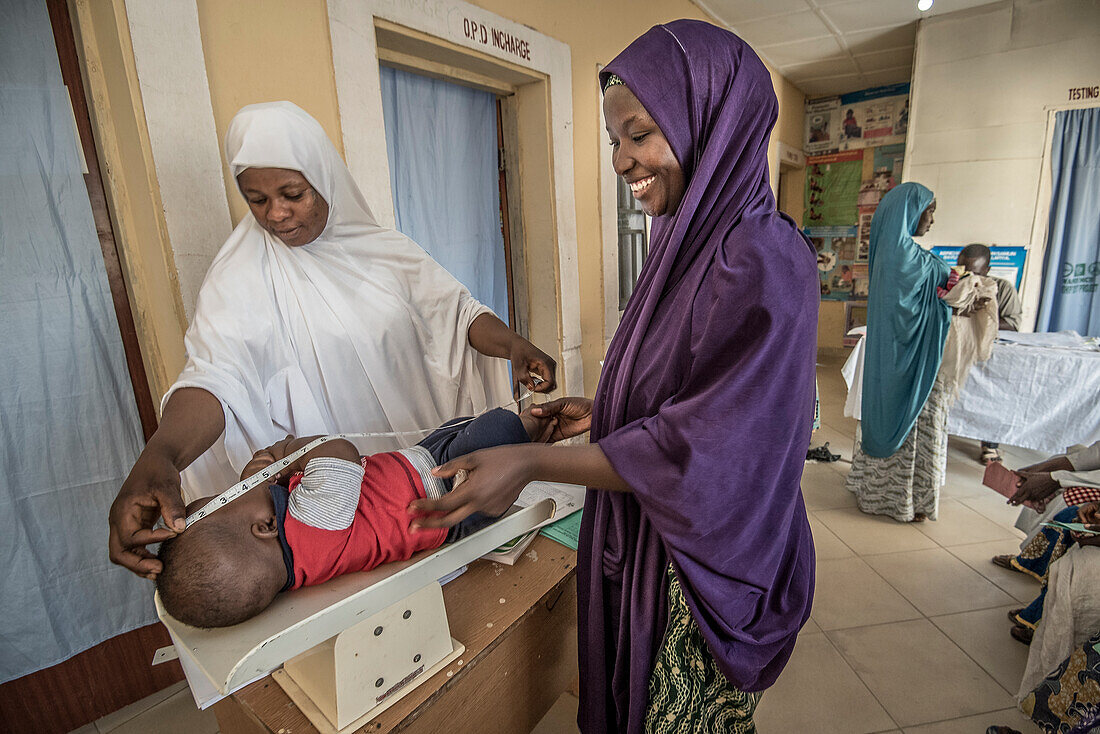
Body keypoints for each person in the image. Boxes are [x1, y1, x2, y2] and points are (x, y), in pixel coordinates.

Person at [406, 21, 818, 733]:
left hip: (702, 565)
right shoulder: (686, 242)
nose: (624, 162)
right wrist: (609, 409)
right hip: (662, 532)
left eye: (641, 134)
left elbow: (718, 448)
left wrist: (531, 459)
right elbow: (704, 389)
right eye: (613, 143)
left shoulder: (759, 256)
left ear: (712, 124)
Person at [108, 102, 556, 580]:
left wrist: (514, 347)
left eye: (292, 193)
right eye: (257, 199)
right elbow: (217, 378)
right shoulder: (238, 280)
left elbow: (455, 313)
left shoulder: (385, 251)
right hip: (336, 518)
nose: (277, 214)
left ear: (323, 177)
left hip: (427, 464)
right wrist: (162, 454)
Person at [157, 407, 556, 628]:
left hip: (416, 462)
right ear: (264, 526)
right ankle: (535, 430)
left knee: (459, 426)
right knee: (497, 427)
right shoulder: (312, 521)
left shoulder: (294, 562)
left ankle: (521, 439)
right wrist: (285, 453)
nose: (235, 488)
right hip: (451, 490)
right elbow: (338, 451)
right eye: (227, 498)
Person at [844, 184, 951, 522]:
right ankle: (906, 501)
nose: (932, 219)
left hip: (885, 359)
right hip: (915, 361)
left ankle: (875, 492)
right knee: (915, 419)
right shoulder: (911, 259)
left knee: (879, 409)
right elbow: (941, 288)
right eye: (929, 210)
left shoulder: (887, 251)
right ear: (910, 212)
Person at [956, 243, 1023, 464]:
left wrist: (982, 321)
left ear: (987, 269)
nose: (968, 276)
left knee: (990, 396)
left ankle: (990, 444)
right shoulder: (953, 284)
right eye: (963, 270)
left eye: (974, 272)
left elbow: (1013, 323)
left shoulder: (1002, 289)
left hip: (989, 354)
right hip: (959, 348)